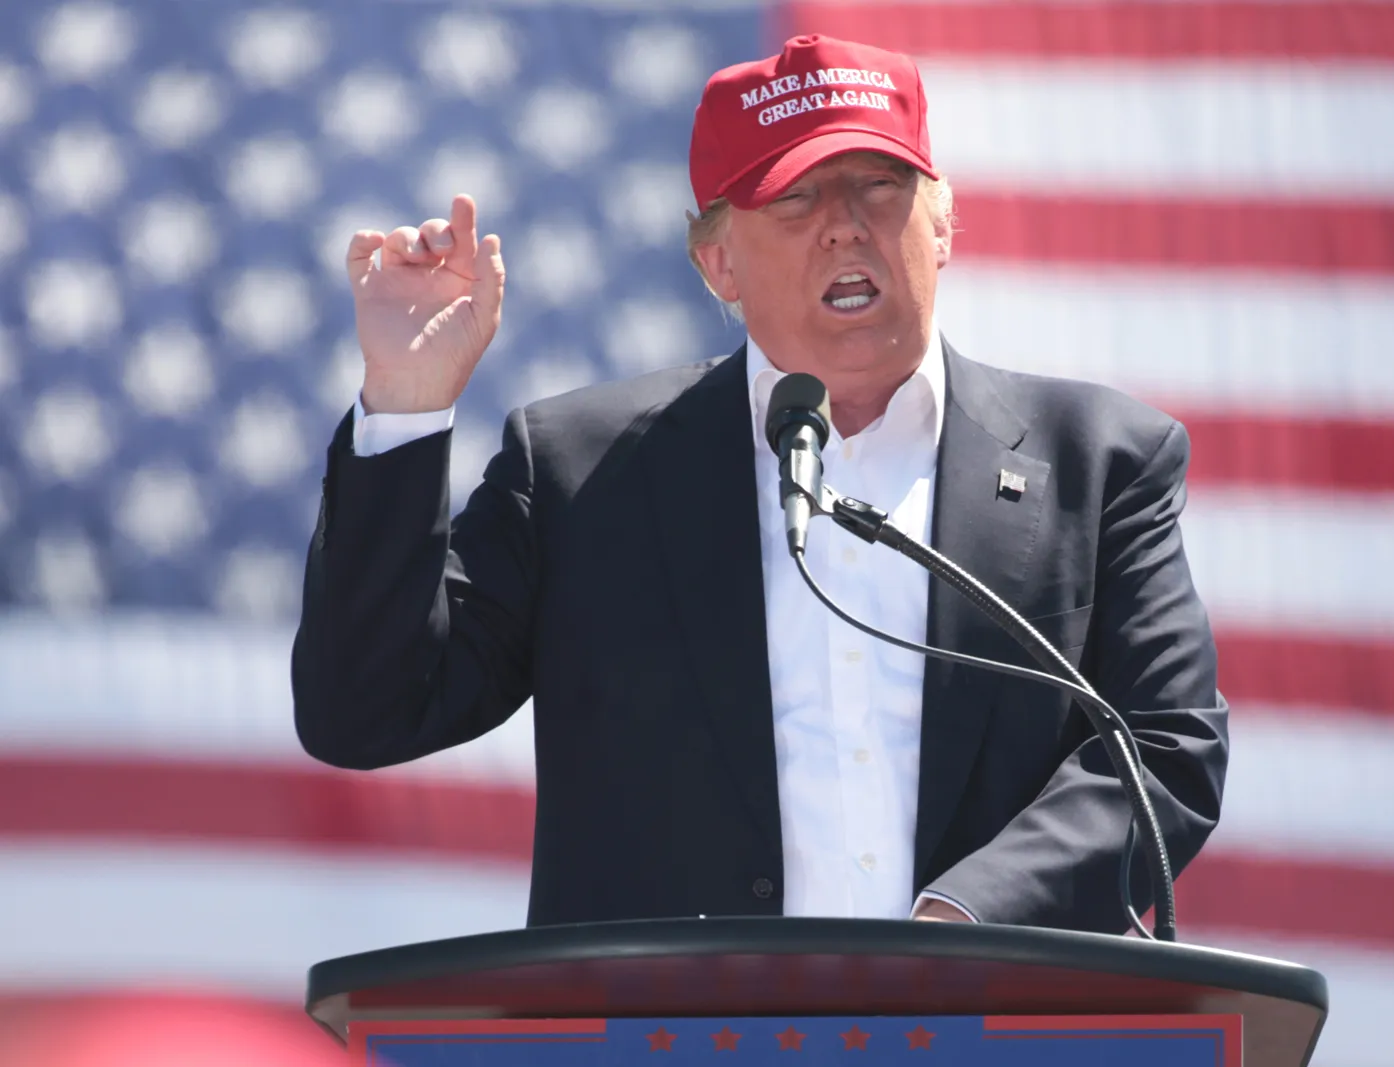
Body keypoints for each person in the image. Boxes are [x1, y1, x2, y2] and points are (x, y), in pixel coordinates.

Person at [292, 34, 1228, 931]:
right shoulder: (583, 472)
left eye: (879, 185)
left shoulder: (1097, 462)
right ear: (718, 262)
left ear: (943, 222)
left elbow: (1166, 747)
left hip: (991, 1028)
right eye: (796, 199)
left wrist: (970, 918)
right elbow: (365, 712)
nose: (845, 227)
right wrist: (408, 407)